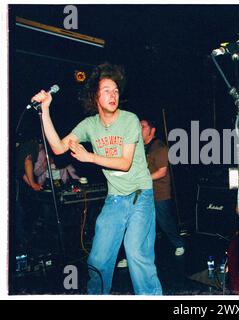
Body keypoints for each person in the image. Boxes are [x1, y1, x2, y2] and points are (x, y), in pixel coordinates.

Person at [30, 62, 162, 295]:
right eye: (107, 90)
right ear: (95, 96)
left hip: (140, 195)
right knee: (98, 259)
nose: (113, 95)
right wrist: (46, 111)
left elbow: (125, 162)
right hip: (115, 200)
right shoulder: (90, 126)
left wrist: (89, 157)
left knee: (136, 253)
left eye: (116, 91)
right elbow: (59, 147)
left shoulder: (130, 119)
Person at [140, 119, 185, 256]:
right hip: (144, 193)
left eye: (142, 126)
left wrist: (140, 180)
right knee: (140, 225)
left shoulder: (159, 147)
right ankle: (134, 255)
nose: (139, 129)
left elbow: (162, 172)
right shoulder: (139, 148)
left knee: (164, 221)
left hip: (159, 193)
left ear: (152, 130)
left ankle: (179, 244)